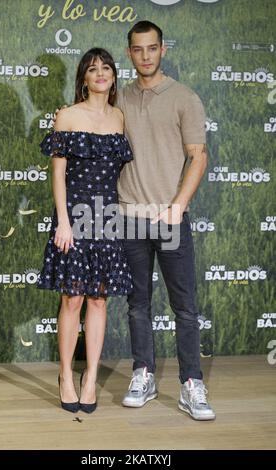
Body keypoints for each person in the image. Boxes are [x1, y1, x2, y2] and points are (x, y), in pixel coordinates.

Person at [116, 20, 215, 421]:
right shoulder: (119, 99)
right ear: (129, 53)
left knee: (184, 307)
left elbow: (198, 155)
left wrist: (178, 205)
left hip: (171, 218)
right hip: (129, 219)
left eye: (152, 49)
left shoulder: (184, 97)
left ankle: (191, 383)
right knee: (137, 304)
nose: (145, 56)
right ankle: (144, 373)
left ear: (163, 50)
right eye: (138, 50)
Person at [37, 48, 133, 414]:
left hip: (106, 218)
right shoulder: (67, 115)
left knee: (98, 299)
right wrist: (62, 221)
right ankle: (65, 374)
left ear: (112, 75)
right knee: (72, 299)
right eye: (93, 69)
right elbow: (58, 173)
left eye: (106, 68)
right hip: (73, 218)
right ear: (84, 78)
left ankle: (90, 377)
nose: (100, 74)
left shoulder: (120, 118)